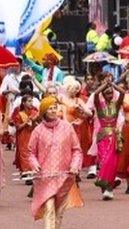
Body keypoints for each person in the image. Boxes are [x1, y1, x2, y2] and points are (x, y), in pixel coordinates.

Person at [28, 96, 83, 228]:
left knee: (59, 212)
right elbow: (30, 153)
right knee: (49, 209)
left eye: (55, 108)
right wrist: (34, 165)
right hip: (45, 178)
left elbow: (77, 150)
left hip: (65, 177)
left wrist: (75, 166)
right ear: (44, 112)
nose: (53, 111)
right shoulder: (38, 131)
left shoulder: (67, 128)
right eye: (50, 108)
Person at [92, 76, 123, 199]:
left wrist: (112, 84)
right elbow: (95, 93)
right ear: (103, 95)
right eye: (106, 93)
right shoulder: (99, 106)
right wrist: (105, 85)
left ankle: (109, 188)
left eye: (111, 93)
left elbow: (123, 92)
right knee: (104, 161)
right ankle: (104, 187)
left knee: (113, 162)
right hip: (103, 136)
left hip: (114, 137)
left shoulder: (117, 104)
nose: (109, 95)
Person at [12, 93, 40, 179]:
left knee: (33, 153)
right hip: (23, 137)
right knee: (24, 154)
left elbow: (39, 124)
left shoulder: (35, 113)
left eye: (32, 101)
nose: (31, 103)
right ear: (23, 103)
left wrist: (34, 121)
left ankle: (31, 172)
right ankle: (27, 173)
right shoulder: (19, 114)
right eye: (29, 101)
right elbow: (18, 127)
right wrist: (25, 123)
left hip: (33, 135)